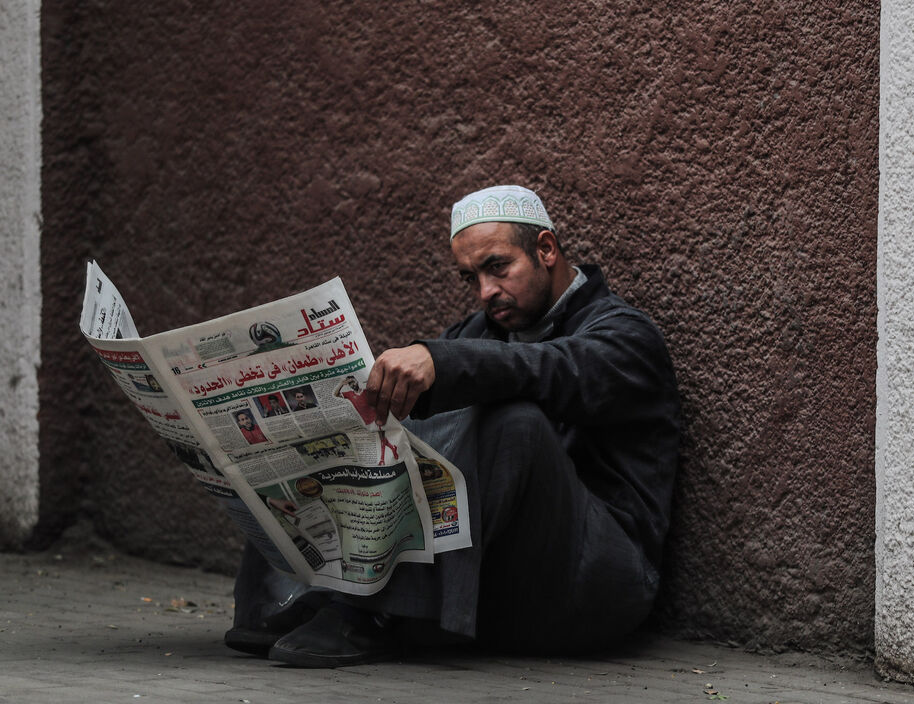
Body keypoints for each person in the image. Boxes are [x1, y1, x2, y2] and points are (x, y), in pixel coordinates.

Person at [226, 184, 681, 668]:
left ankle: (376, 617)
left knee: (516, 423)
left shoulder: (626, 335)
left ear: (546, 250)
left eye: (497, 267)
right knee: (358, 435)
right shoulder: (481, 332)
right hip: (496, 588)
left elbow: (544, 368)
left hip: (596, 586)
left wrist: (439, 361)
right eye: (470, 278)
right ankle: (289, 602)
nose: (486, 292)